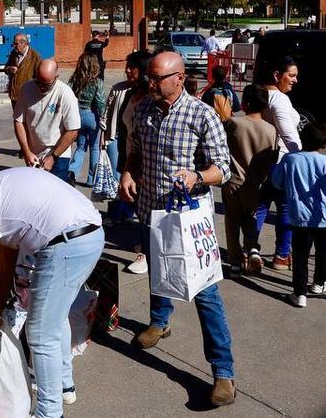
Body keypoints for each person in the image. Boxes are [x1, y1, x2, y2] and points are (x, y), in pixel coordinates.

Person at [117, 51, 237, 407]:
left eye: (158, 79)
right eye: (150, 78)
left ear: (180, 78)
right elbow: (136, 150)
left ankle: (223, 372)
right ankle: (159, 321)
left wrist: (197, 176)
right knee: (158, 272)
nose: (150, 84)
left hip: (189, 219)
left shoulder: (202, 115)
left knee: (206, 294)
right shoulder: (143, 109)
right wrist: (128, 172)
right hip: (151, 211)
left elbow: (223, 169)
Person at [0, 168, 103, 417]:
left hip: (66, 244)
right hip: (91, 235)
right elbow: (5, 268)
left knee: (40, 334)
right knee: (54, 318)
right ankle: (64, 386)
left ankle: (50, 412)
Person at [270, 121, 326, 308]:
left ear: (302, 138)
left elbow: (276, 181)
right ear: (325, 143)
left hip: (300, 217)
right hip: (324, 218)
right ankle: (319, 283)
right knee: (324, 252)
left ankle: (299, 293)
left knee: (300, 255)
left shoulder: (290, 159)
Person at [223, 84, 278, 276]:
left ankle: (235, 262)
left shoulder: (234, 123)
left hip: (233, 180)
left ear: (245, 103)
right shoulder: (270, 130)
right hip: (255, 184)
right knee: (250, 217)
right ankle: (253, 247)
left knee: (232, 221)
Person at [256, 56, 301, 270]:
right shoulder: (280, 99)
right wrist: (301, 159)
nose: (295, 80)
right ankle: (282, 255)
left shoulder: (259, 94)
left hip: (260, 160)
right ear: (277, 75)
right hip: (281, 161)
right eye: (291, 75)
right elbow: (288, 134)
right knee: (284, 208)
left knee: (260, 207)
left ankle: (250, 251)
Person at [104, 50, 152, 232]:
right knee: (134, 197)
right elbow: (123, 128)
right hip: (129, 154)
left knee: (145, 205)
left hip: (146, 160)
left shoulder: (152, 97)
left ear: (144, 70)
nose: (127, 71)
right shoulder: (129, 94)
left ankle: (146, 242)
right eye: (127, 67)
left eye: (132, 67)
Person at [14, 58, 81, 181]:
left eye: (46, 85)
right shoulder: (27, 89)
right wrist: (26, 151)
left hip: (58, 154)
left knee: (55, 191)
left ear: (56, 77)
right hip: (34, 154)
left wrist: (53, 157)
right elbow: (19, 121)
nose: (41, 88)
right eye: (38, 82)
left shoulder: (65, 94)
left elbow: (72, 131)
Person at [68, 53, 106, 186]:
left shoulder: (74, 80)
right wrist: (103, 118)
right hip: (92, 116)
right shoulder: (97, 82)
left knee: (80, 147)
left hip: (77, 116)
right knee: (95, 148)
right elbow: (100, 102)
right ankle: (92, 179)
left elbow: (68, 96)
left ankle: (72, 172)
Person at [4, 32, 41, 108]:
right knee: (16, 115)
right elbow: (6, 69)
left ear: (24, 43)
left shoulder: (34, 56)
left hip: (28, 96)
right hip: (14, 95)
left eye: (16, 44)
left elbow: (39, 77)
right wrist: (10, 69)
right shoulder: (13, 53)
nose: (14, 46)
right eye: (14, 43)